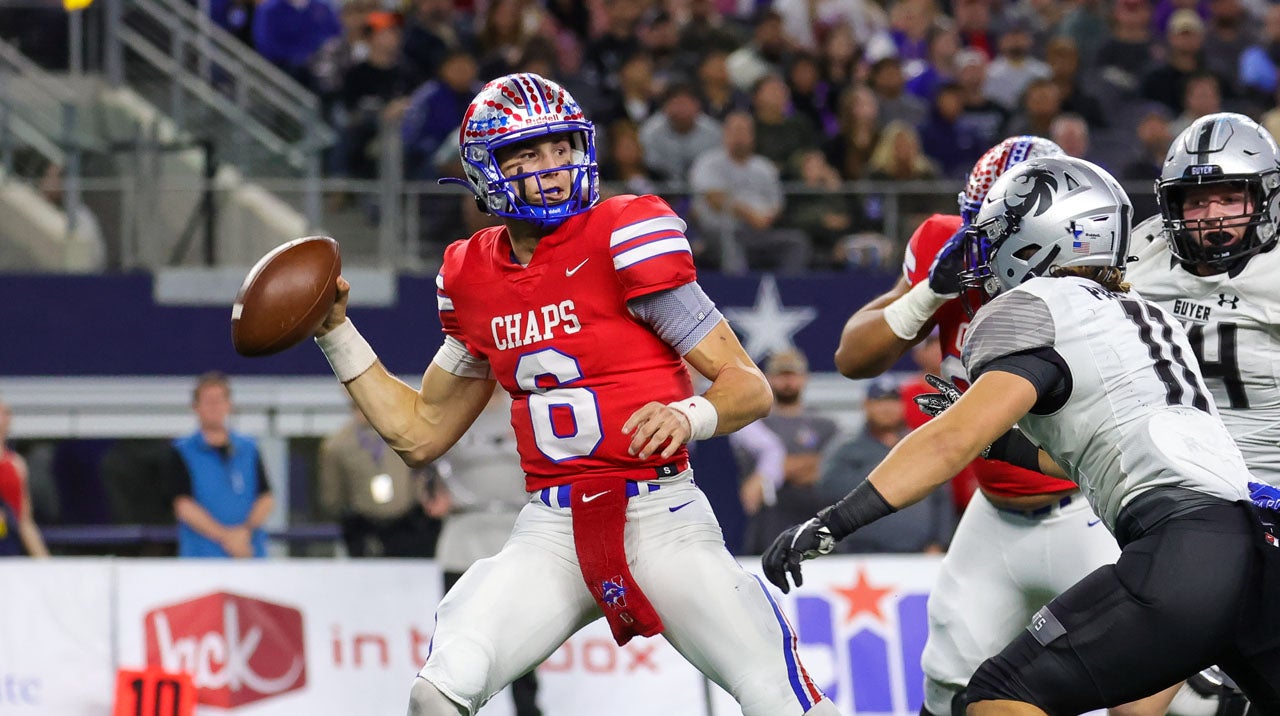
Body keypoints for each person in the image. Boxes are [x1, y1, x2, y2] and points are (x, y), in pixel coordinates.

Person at [310, 73, 839, 716]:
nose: (554, 167)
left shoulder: (623, 237)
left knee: (781, 700)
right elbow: (419, 433)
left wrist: (688, 414)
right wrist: (335, 332)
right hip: (551, 527)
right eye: (528, 153)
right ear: (483, 169)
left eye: (561, 147)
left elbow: (748, 386)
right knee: (438, 691)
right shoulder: (471, 275)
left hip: (661, 516)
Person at [765, 155, 1280, 714]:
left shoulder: (1039, 306)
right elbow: (1088, 455)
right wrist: (1002, 442)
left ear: (1041, 238)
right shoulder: (1147, 317)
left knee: (995, 697)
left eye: (1000, 235)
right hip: (1256, 547)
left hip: (1182, 547)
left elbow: (946, 443)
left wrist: (834, 521)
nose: (988, 255)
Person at [827, 136, 1171, 716]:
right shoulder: (949, 246)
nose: (989, 250)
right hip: (993, 515)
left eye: (1007, 232)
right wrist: (927, 292)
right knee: (946, 688)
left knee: (1146, 698)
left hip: (1089, 511)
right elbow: (853, 358)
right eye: (982, 230)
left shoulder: (1091, 283)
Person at [1126, 111, 1280, 715]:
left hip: (1272, 493)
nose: (1213, 215)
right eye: (1196, 201)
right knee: (1134, 702)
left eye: (1229, 197)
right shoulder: (1141, 256)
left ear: (1264, 197)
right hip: (1185, 500)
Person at [429, 386, 541, 716]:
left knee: (523, 635)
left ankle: (528, 710)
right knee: (456, 636)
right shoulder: (452, 411)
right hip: (462, 537)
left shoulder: (530, 408)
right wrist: (427, 491)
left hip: (518, 533)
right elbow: (421, 456)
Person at [818, 376, 953, 554]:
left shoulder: (920, 444)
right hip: (861, 553)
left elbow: (941, 499)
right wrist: (878, 473)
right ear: (866, 405)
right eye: (879, 401)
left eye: (893, 401)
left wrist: (940, 542)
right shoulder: (846, 448)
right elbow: (827, 490)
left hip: (919, 554)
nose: (887, 408)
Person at [170, 372, 275, 559]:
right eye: (208, 401)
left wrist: (244, 533)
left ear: (229, 405)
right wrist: (227, 538)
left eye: (219, 400)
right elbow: (183, 505)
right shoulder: (182, 451)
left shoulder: (249, 448)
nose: (214, 407)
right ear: (195, 407)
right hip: (202, 559)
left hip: (248, 555)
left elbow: (265, 498)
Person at [318, 403, 440, 557]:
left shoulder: (411, 433)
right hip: (365, 529)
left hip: (410, 525)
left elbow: (428, 473)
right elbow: (332, 498)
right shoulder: (337, 445)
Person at [0, 397, 49, 557]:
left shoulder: (16, 464)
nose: (6, 417)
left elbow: (25, 521)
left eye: (7, 412)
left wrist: (46, 563)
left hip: (7, 551)